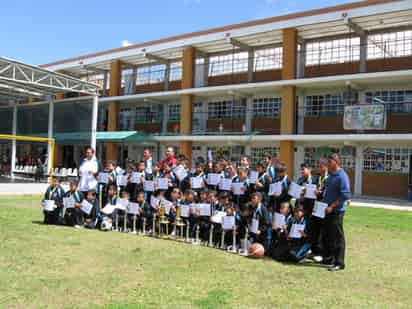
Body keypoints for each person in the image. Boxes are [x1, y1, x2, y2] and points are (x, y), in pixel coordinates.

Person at [322, 153, 351, 272]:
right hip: (327, 210)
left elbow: (345, 194)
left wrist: (332, 207)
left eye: (329, 162)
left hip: (336, 211)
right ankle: (330, 258)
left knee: (338, 237)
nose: (327, 164)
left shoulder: (342, 176)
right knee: (329, 235)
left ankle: (339, 262)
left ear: (336, 162)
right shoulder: (331, 175)